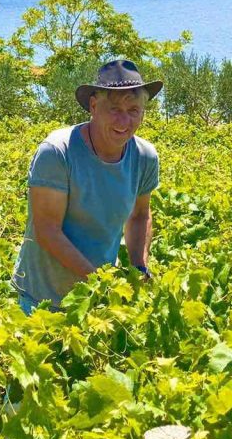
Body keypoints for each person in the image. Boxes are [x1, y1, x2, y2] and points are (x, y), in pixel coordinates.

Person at [12, 59, 162, 313]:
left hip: (95, 299)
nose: (124, 121)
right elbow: (47, 229)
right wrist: (99, 281)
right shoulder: (58, 151)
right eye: (114, 109)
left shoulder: (144, 156)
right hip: (42, 299)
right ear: (93, 106)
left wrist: (139, 266)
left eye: (134, 110)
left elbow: (139, 215)